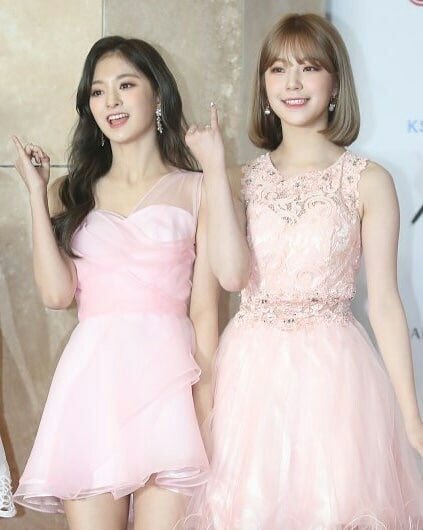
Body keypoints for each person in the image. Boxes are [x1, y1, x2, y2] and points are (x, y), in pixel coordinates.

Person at [184, 13, 423, 529]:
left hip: (336, 375)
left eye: (309, 67)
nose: (292, 83)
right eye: (278, 69)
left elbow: (385, 303)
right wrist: (214, 169)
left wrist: (412, 419)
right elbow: (230, 277)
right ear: (263, 85)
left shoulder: (370, 181)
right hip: (249, 377)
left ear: (335, 83)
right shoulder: (236, 180)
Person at [12, 36, 218, 530]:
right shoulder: (70, 192)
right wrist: (36, 196)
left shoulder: (198, 188)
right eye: (98, 91)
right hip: (94, 387)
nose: (111, 102)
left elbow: (206, 311)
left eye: (126, 85)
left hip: (170, 389)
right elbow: (56, 295)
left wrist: (206, 410)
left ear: (158, 93)